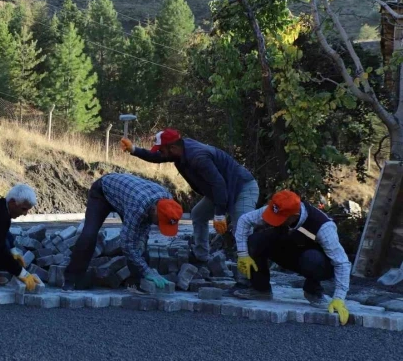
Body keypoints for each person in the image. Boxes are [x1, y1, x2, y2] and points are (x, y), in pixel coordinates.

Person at [121, 128, 259, 263]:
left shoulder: (198, 157)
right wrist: (133, 149)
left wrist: (219, 214)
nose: (160, 153)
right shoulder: (179, 151)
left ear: (173, 147)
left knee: (242, 230)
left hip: (242, 188)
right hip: (221, 190)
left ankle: (249, 279)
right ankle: (201, 257)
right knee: (198, 214)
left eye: (161, 150)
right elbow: (156, 157)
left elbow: (219, 184)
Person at [233, 189, 351, 326]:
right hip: (289, 252)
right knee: (255, 240)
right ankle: (261, 289)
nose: (274, 220)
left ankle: (313, 291)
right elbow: (244, 220)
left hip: (314, 261)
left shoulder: (323, 227)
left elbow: (342, 263)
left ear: (294, 216)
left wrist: (339, 298)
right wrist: (243, 255)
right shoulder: (278, 208)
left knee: (312, 259)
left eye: (280, 219)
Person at [63, 173, 183, 291]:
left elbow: (143, 232)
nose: (157, 225)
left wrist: (145, 268)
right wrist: (147, 270)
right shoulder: (137, 207)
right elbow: (126, 243)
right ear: (154, 211)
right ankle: (72, 279)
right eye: (158, 222)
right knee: (89, 234)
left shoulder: (168, 202)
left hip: (126, 196)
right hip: (103, 192)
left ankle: (137, 282)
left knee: (140, 242)